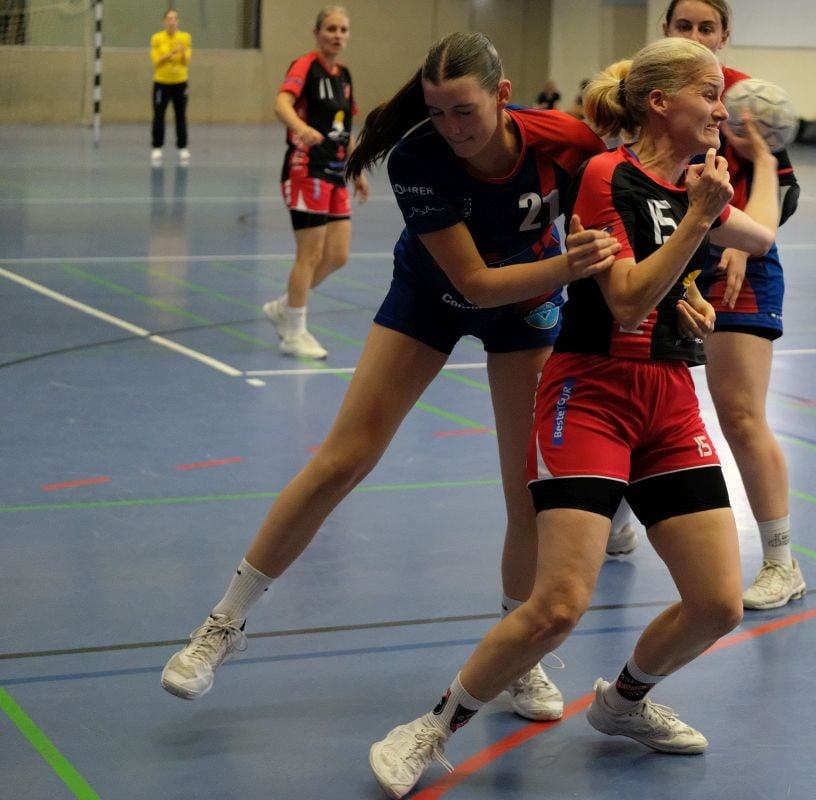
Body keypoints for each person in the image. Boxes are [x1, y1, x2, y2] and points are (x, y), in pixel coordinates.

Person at [160, 31, 617, 727]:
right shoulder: (418, 158)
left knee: (528, 490)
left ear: (502, 96)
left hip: (526, 310)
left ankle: (516, 652)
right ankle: (223, 623)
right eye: (437, 112)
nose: (451, 127)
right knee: (342, 459)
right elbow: (474, 282)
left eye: (464, 111)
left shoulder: (566, 141)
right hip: (433, 298)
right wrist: (568, 265)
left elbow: (617, 200)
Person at [368, 37, 780, 799]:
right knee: (558, 605)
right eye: (709, 93)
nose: (721, 109)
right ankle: (430, 727)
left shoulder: (686, 189)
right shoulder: (607, 175)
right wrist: (699, 222)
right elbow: (623, 299)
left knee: (719, 603)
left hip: (667, 399)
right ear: (660, 102)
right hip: (589, 395)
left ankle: (623, 703)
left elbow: (715, 264)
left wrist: (695, 304)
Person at [647, 0, 805, 609]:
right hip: (665, 257)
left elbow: (782, 187)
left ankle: (781, 561)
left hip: (741, 263)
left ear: (724, 35)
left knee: (739, 413)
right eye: (683, 26)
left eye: (706, 27)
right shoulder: (643, 90)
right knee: (645, 398)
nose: (694, 35)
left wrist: (739, 241)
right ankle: (618, 516)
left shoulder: (744, 99)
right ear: (665, 30)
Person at [262, 6, 369, 360]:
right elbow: (281, 103)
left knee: (337, 255)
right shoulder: (305, 66)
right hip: (306, 168)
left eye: (343, 29)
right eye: (331, 29)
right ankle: (293, 333)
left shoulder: (345, 75)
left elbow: (345, 128)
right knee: (308, 255)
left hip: (336, 170)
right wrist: (301, 128)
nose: (337, 35)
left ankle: (284, 307)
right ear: (317, 32)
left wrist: (356, 169)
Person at [149, 9, 191, 167]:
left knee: (180, 114)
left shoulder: (185, 38)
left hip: (180, 82)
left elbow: (186, 61)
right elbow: (156, 60)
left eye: (174, 19)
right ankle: (157, 146)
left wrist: (182, 52)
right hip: (162, 83)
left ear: (177, 21)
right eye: (169, 19)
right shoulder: (157, 38)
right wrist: (171, 53)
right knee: (159, 114)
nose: (172, 22)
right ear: (164, 22)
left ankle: (182, 147)